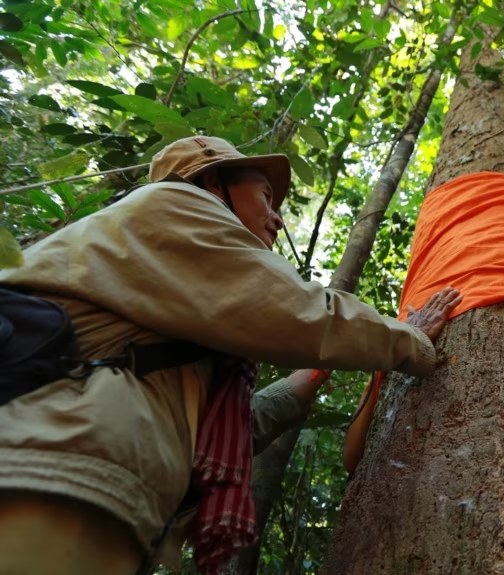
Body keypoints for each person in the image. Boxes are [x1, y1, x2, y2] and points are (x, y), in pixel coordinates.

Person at [0, 135, 462, 574]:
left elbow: (220, 428)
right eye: (265, 196)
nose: (277, 218)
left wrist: (311, 378)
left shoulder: (171, 304)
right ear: (211, 183)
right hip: (46, 473)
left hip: (60, 472)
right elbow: (298, 312)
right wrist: (409, 339)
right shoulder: (172, 207)